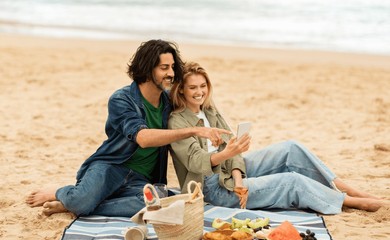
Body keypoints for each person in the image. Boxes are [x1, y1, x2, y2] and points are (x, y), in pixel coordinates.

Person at [26, 40, 230, 218]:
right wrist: (193, 130)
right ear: (148, 69)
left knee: (157, 204)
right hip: (111, 167)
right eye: (164, 67)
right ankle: (62, 192)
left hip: (143, 178)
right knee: (81, 201)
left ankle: (78, 206)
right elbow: (142, 138)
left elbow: (199, 97)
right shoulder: (122, 99)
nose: (171, 73)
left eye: (172, 67)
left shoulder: (169, 100)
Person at [168, 61, 385, 214]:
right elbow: (197, 163)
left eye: (203, 86)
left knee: (291, 148)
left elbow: (233, 151)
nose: (200, 92)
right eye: (193, 87)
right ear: (181, 91)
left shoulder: (209, 111)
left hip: (230, 176)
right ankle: (351, 201)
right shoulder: (177, 121)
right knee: (292, 181)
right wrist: (228, 155)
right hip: (211, 189)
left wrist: (239, 181)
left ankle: (345, 188)